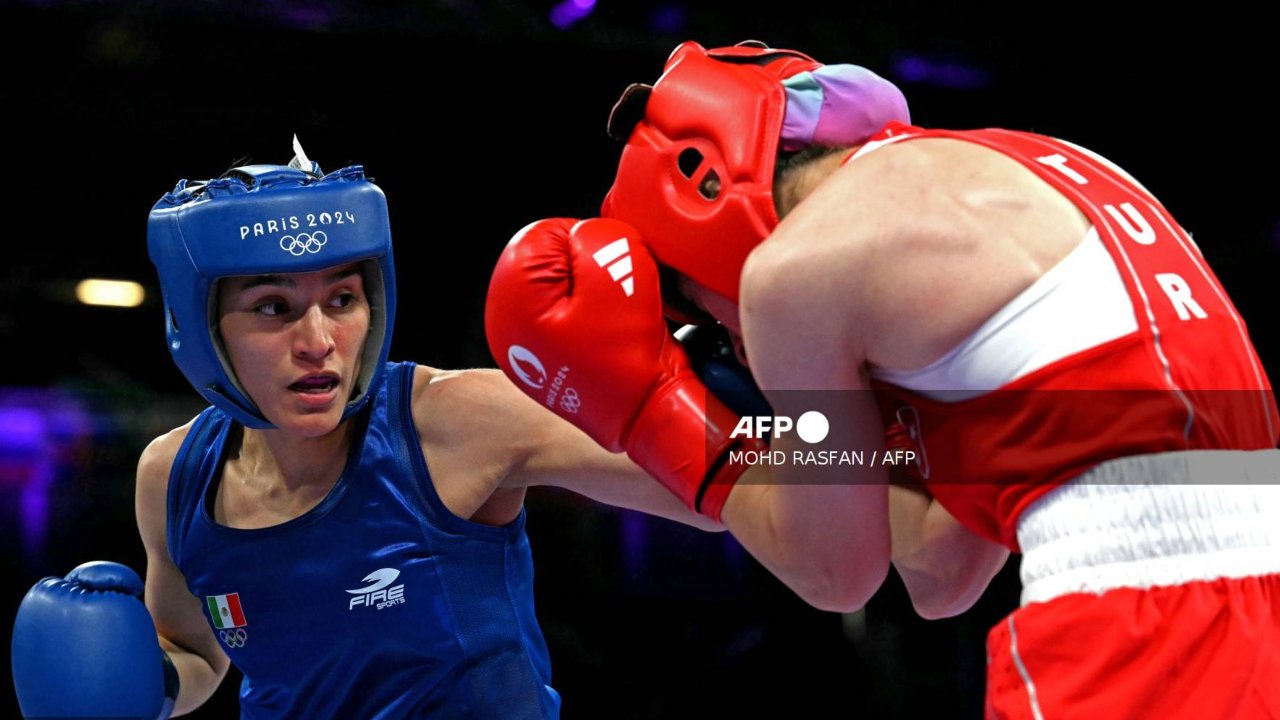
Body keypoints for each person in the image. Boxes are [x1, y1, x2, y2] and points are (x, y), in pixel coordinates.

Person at [484, 41, 1280, 718]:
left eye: (695, 303)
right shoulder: (1035, 164)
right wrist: (820, 452)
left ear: (707, 203)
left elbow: (836, 571)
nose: (729, 339)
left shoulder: (796, 273)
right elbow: (944, 570)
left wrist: (658, 409)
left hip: (1135, 613)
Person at [11, 141, 722, 719]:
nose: (319, 340)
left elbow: (730, 483)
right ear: (202, 330)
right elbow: (193, 650)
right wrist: (147, 685)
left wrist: (778, 376)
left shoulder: (447, 421)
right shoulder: (173, 479)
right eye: (273, 308)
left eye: (343, 299)